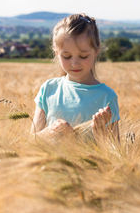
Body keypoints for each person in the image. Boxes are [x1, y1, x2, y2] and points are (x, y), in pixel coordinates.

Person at [31, 13, 120, 143]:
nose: (74, 63)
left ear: (96, 51)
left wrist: (101, 135)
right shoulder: (49, 89)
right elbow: (30, 141)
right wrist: (49, 132)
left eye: (83, 56)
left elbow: (117, 154)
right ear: (56, 53)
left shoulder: (107, 97)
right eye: (66, 56)